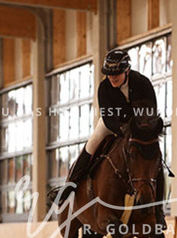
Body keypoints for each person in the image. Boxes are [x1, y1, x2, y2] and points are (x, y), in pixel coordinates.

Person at [57, 49, 166, 227]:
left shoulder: (143, 83)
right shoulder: (104, 87)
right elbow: (108, 119)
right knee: (91, 145)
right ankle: (70, 186)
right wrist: (123, 130)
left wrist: (140, 129)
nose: (112, 78)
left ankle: (158, 210)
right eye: (109, 74)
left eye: (116, 74)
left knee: (154, 162)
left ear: (127, 71)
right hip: (112, 126)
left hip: (138, 129)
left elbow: (151, 112)